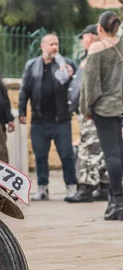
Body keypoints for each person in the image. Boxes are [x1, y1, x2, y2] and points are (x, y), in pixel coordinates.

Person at [19, 34, 78, 201]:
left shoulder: (67, 64)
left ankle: (72, 188)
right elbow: (24, 89)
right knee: (40, 156)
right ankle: (42, 189)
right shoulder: (31, 65)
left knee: (67, 155)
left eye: (57, 44)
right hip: (39, 119)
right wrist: (22, 111)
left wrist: (69, 74)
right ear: (42, 46)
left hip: (62, 119)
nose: (55, 47)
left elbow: (75, 88)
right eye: (51, 44)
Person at [81, 11, 123, 220]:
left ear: (99, 28)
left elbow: (90, 85)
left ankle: (117, 203)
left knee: (112, 156)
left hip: (105, 109)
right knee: (120, 154)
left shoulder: (96, 48)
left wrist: (86, 108)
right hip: (121, 106)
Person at [66, 24, 110, 203]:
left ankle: (86, 188)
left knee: (89, 149)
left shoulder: (98, 54)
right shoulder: (89, 56)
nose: (82, 40)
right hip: (90, 111)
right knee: (100, 149)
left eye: (83, 36)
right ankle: (104, 187)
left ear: (91, 36)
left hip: (93, 111)